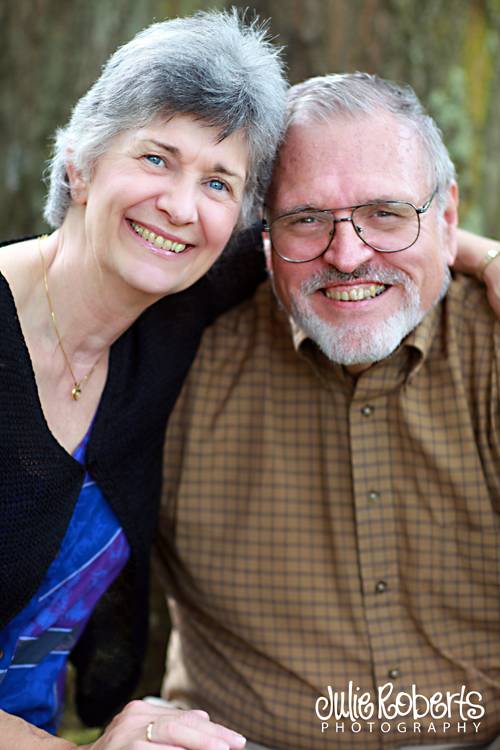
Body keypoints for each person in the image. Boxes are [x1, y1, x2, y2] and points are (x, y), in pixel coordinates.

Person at [157, 73, 500, 750]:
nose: (347, 255)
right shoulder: (176, 367)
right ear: (263, 236)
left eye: (386, 214)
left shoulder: (491, 349)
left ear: (448, 217)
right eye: (307, 220)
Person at [0, 9, 287, 750]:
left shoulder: (171, 310)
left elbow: (353, 218)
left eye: (219, 182)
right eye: (157, 159)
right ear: (80, 164)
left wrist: (478, 253)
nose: (183, 206)